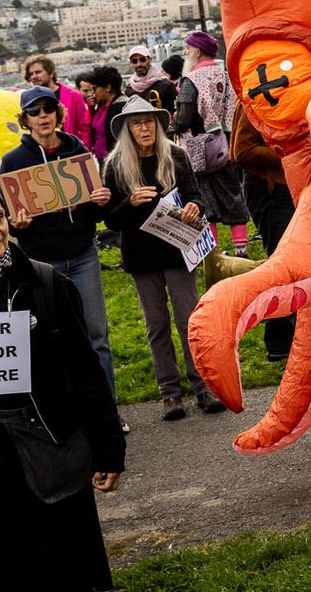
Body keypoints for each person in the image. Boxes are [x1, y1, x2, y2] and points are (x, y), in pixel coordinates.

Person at [0, 179, 124, 592]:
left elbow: (86, 371)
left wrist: (109, 449)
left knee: (60, 568)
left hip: (47, 448)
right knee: (5, 568)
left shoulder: (45, 284)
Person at [0, 86, 122, 430]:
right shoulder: (13, 162)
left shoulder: (77, 150)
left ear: (58, 113)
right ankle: (66, 416)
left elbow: (96, 213)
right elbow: (11, 219)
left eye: (48, 109)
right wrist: (16, 224)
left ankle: (108, 411)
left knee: (96, 336)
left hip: (83, 256)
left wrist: (101, 201)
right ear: (25, 119)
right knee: (51, 339)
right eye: (34, 111)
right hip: (41, 263)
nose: (42, 116)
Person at [102, 96, 223, 420]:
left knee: (189, 321)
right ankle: (170, 394)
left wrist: (195, 206)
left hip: (178, 251)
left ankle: (202, 387)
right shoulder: (115, 166)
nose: (144, 128)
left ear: (158, 125)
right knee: (157, 326)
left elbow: (195, 195)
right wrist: (129, 202)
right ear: (127, 129)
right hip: (141, 257)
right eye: (136, 123)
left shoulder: (176, 155)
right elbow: (111, 221)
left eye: (149, 121)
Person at [168, 30, 250, 257]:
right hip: (228, 144)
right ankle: (241, 251)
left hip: (199, 147)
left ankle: (213, 255)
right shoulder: (226, 75)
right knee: (233, 196)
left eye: (187, 49)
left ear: (197, 51)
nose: (185, 53)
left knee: (204, 201)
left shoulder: (191, 79)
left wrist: (170, 127)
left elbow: (184, 117)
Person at [231, 105, 298, 362]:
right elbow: (241, 151)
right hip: (269, 188)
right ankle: (284, 340)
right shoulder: (254, 96)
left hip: (285, 184)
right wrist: (291, 153)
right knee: (285, 266)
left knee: (286, 265)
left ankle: (279, 342)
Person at [23, 55, 92, 148]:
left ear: (51, 73)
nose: (34, 76)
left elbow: (85, 128)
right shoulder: (28, 101)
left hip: (71, 149)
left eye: (38, 72)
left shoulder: (73, 95)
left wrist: (84, 151)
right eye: (31, 74)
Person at [86, 64, 127, 160]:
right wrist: (91, 108)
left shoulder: (122, 106)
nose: (92, 93)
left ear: (108, 87)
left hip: (117, 159)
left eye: (94, 88)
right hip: (101, 157)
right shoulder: (101, 104)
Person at [124, 45, 178, 114]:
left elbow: (177, 113)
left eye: (142, 59)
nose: (139, 64)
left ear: (150, 60)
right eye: (134, 61)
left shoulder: (166, 85)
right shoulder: (130, 89)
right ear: (130, 63)